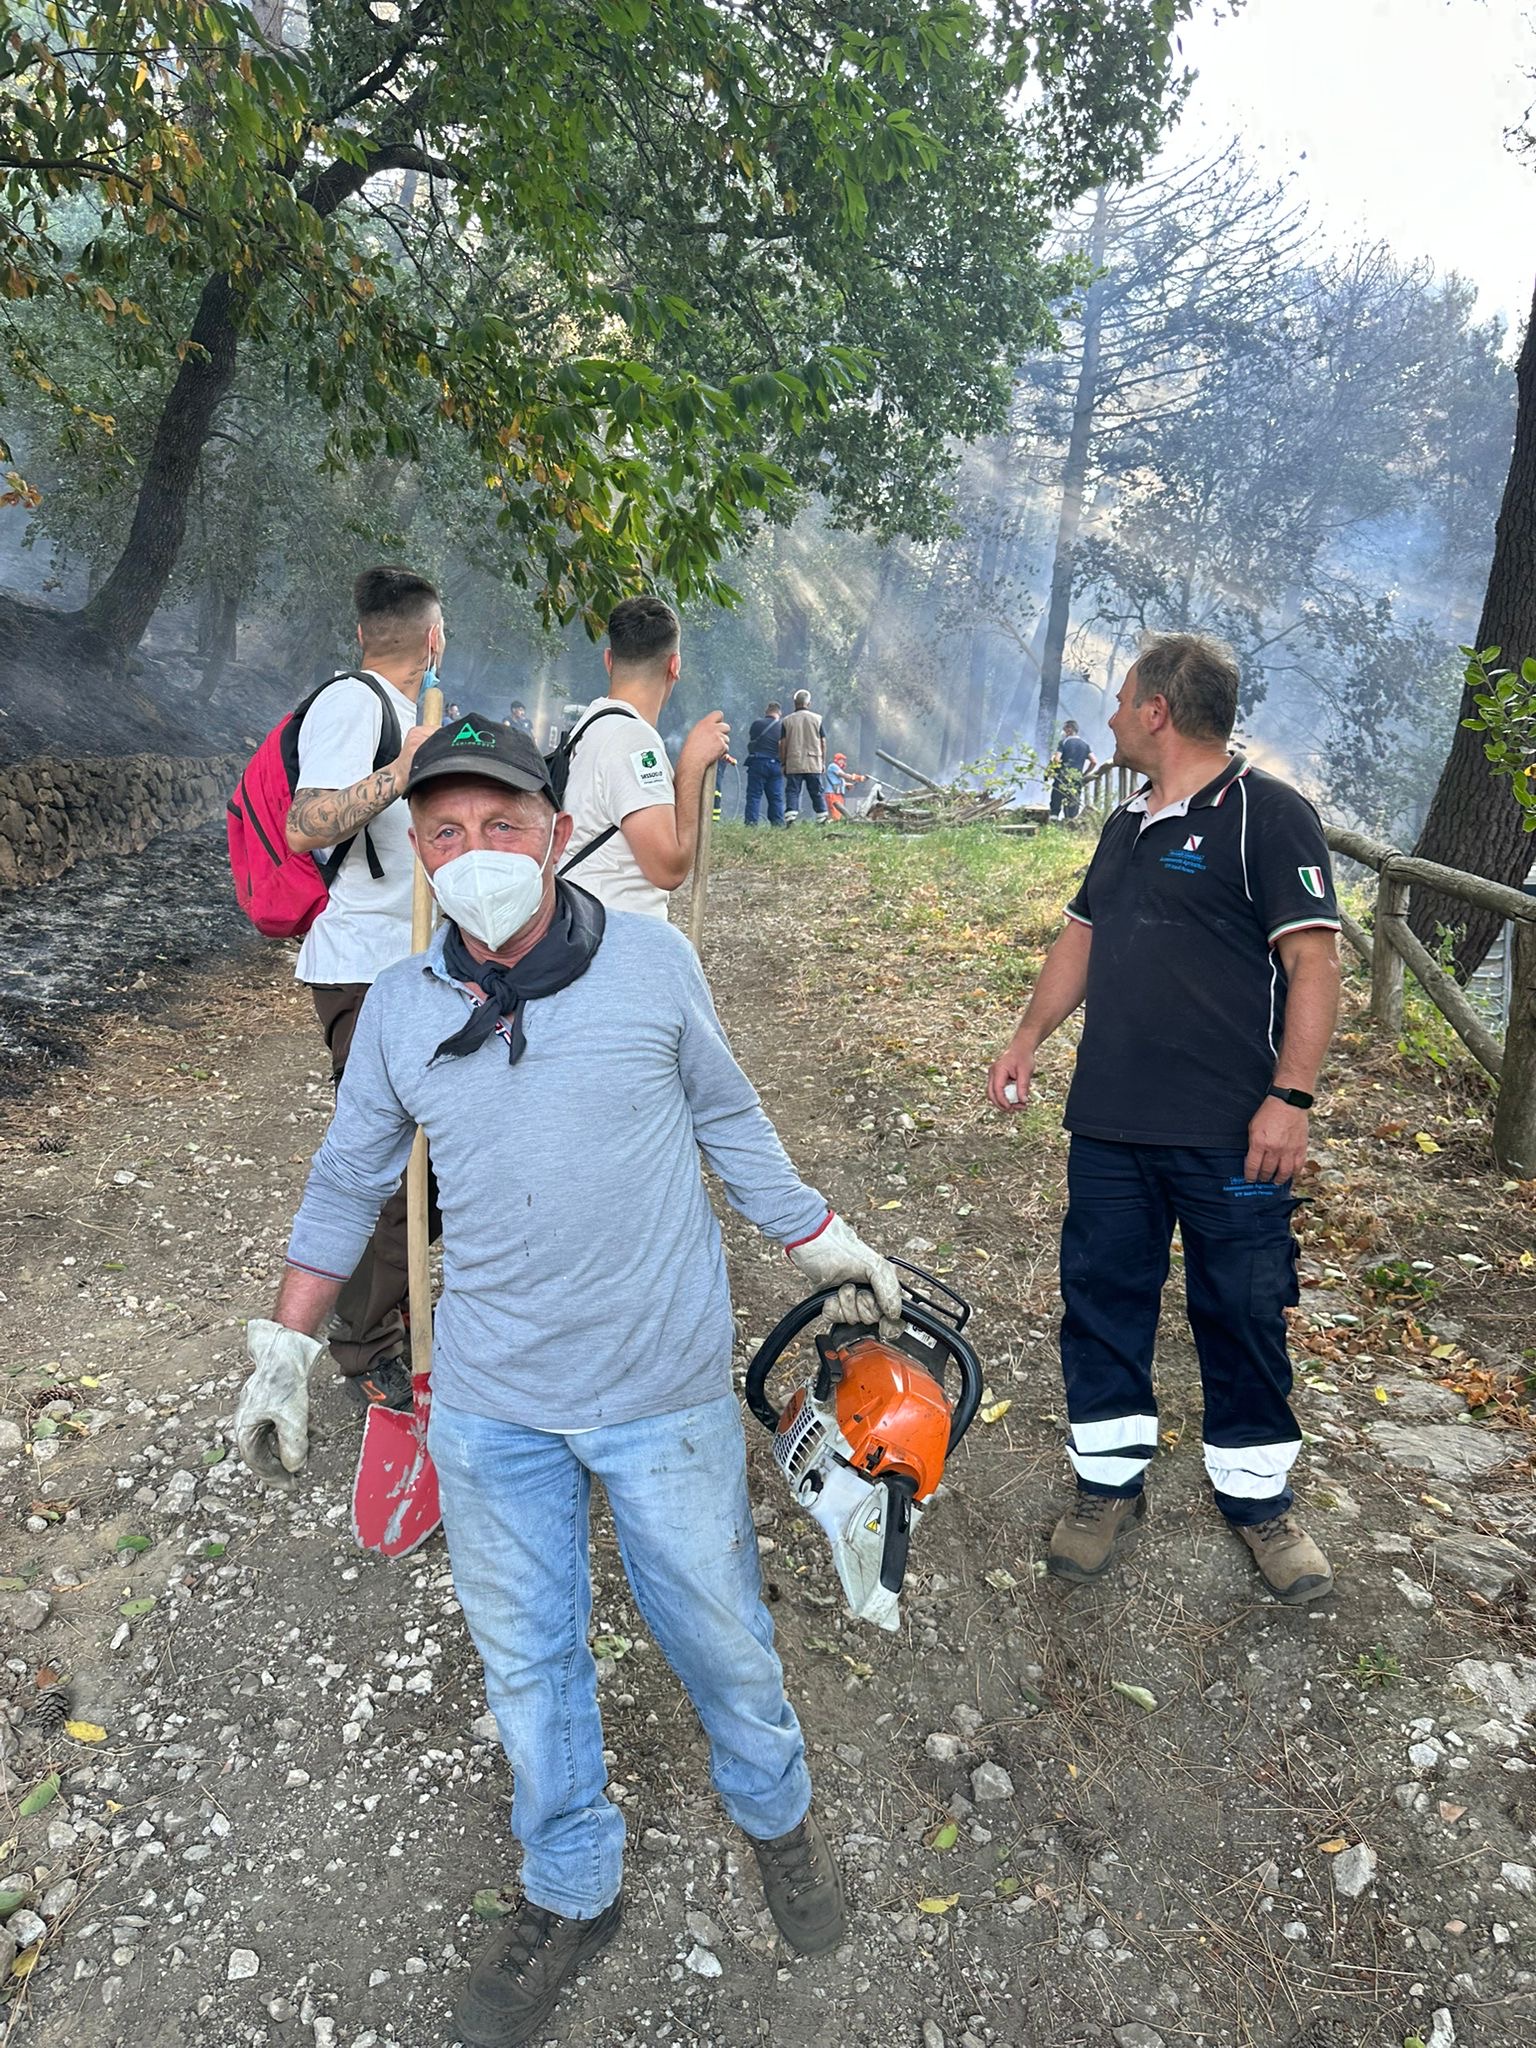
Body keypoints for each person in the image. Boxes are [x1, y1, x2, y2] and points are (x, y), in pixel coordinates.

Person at [232, 717, 903, 2048]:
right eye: (446, 834)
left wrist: (823, 1239)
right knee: (530, 1666)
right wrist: (289, 1345)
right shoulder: (407, 1012)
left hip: (659, 1389)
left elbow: (730, 1119)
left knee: (720, 1637)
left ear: (551, 829)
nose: (475, 854)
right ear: (419, 851)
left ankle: (777, 1824)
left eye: (500, 826)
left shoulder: (654, 965)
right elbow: (347, 1176)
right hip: (491, 1407)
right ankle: (571, 1883)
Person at [986, 631, 1342, 1605]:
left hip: (1233, 1130)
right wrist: (1026, 1037)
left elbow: (1314, 962)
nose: (1108, 715)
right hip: (1109, 1125)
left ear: (1157, 710)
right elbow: (1080, 943)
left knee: (1243, 1308)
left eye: (1119, 698)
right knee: (1102, 1300)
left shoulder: (1266, 817)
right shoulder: (1124, 825)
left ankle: (1261, 1504)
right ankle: (1106, 1486)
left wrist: (1291, 1096)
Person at [282, 565, 438, 1411]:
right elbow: (304, 825)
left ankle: (395, 1307)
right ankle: (368, 1348)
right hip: (362, 968)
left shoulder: (411, 715)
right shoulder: (356, 703)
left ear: (362, 629)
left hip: (411, 965)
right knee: (386, 1161)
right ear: (435, 637)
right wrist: (402, 771)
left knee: (434, 1159)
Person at [560, 595, 730, 914]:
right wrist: (692, 762)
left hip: (584, 927)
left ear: (609, 660)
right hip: (614, 941)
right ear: (674, 665)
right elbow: (668, 868)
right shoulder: (631, 741)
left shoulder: (589, 726)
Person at [780, 689, 826, 820]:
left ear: (795, 703)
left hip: (794, 761)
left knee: (793, 791)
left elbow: (782, 744)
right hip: (813, 761)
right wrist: (822, 761)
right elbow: (823, 742)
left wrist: (783, 763)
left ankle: (790, 817)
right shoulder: (818, 719)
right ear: (809, 703)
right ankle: (821, 816)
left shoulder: (786, 721)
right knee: (816, 791)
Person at [744, 700, 786, 826]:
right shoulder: (783, 727)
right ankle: (777, 824)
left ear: (767, 711)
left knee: (754, 795)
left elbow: (752, 739)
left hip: (758, 762)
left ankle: (751, 823)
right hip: (776, 765)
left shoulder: (757, 724)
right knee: (776, 797)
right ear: (780, 713)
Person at [1049, 719, 1098, 822]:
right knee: (1073, 803)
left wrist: (1053, 767)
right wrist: (1084, 774)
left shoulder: (1064, 742)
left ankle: (1053, 823)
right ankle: (1070, 824)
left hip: (1062, 777)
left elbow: (1057, 759)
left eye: (1064, 729)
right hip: (1076, 778)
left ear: (1069, 729)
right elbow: (1094, 761)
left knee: (1056, 801)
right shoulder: (1085, 745)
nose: (1063, 732)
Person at [823, 752, 866, 822]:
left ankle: (832, 825)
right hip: (832, 794)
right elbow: (844, 775)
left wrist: (846, 785)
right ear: (837, 760)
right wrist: (857, 777)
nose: (843, 762)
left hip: (838, 794)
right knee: (834, 814)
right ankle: (829, 827)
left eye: (844, 760)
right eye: (842, 760)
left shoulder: (837, 768)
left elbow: (838, 781)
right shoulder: (833, 766)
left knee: (839, 814)